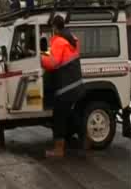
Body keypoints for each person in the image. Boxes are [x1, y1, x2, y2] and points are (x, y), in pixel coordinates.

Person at [41, 15, 83, 158]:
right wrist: (44, 53)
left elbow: (53, 63)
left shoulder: (59, 41)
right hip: (75, 84)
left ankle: (59, 151)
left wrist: (40, 58)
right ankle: (86, 139)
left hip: (65, 87)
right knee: (69, 114)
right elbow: (58, 56)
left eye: (52, 27)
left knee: (58, 117)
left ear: (54, 27)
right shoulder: (72, 39)